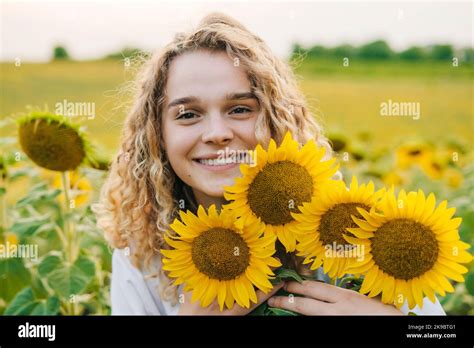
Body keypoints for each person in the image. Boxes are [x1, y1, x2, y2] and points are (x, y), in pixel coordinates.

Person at [93, 12, 445, 315]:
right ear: (158, 135)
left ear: (277, 118)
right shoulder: (144, 252)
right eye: (188, 114)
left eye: (240, 109)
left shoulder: (351, 228)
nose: (217, 133)